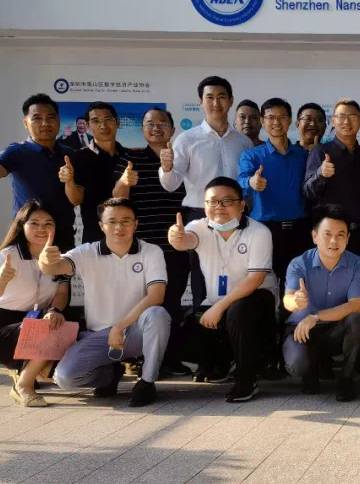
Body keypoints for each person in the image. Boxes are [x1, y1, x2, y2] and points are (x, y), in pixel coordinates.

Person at [39, 198, 170, 407]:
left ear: (136, 223)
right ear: (101, 226)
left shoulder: (151, 251)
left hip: (135, 331)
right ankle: (110, 375)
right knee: (65, 378)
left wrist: (119, 327)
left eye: (126, 221)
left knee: (157, 315)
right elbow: (54, 268)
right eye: (112, 221)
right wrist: (44, 260)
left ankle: (147, 382)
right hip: (99, 335)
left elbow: (156, 296)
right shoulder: (87, 252)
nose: (119, 227)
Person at [168, 177, 277, 403]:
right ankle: (221, 362)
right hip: (217, 303)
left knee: (238, 312)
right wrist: (176, 237)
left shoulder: (259, 232)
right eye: (213, 201)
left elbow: (255, 279)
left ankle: (247, 379)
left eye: (227, 201)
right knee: (185, 341)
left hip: (255, 301)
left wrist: (219, 308)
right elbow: (185, 240)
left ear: (242, 204)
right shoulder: (198, 227)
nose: (219, 207)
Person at [159, 76, 253, 306]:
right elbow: (171, 184)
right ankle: (203, 319)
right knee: (202, 273)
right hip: (201, 215)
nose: (216, 103)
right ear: (201, 102)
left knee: (238, 269)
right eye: (209, 97)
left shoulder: (244, 143)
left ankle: (232, 318)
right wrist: (167, 168)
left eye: (221, 97)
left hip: (236, 216)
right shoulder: (186, 140)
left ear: (231, 101)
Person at [112, 108, 192, 377]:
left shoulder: (183, 158)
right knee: (140, 301)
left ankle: (168, 358)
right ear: (142, 129)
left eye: (162, 123)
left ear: (172, 129)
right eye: (150, 124)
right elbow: (117, 197)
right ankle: (136, 357)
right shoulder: (130, 158)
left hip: (176, 245)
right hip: (142, 247)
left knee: (172, 301)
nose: (156, 128)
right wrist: (125, 181)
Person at [0, 201, 70, 407]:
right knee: (45, 330)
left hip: (37, 319)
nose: (41, 228)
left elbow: (62, 292)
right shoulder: (8, 255)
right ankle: (23, 386)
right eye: (34, 223)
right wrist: (1, 277)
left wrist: (55, 310)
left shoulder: (59, 257)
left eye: (48, 223)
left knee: (62, 331)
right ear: (22, 226)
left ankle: (25, 368)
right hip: (0, 327)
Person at [283, 205, 360, 401]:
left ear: (348, 238)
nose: (333, 241)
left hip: (334, 330)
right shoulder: (299, 263)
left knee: (358, 320)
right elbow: (288, 299)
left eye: (340, 235)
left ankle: (346, 379)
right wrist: (296, 301)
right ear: (314, 236)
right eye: (327, 234)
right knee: (298, 365)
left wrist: (315, 316)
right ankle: (310, 371)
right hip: (302, 330)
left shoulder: (356, 263)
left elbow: (355, 305)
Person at [0, 93, 77, 251]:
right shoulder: (17, 151)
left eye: (51, 117)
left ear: (58, 121)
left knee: (63, 268)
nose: (45, 123)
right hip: (27, 236)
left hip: (63, 235)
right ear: (25, 123)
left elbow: (77, 196)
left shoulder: (69, 154)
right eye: (37, 118)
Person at [238, 97, 309, 295]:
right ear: (262, 121)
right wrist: (251, 182)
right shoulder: (252, 155)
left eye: (281, 117)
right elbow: (241, 182)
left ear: (290, 120)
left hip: (299, 230)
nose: (276, 122)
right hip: (265, 230)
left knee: (296, 289)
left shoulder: (303, 155)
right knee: (263, 288)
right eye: (270, 117)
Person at [304, 98, 360, 295]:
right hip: (331, 237)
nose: (346, 121)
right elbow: (307, 191)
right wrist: (321, 174)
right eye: (341, 116)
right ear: (333, 121)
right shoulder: (321, 152)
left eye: (352, 116)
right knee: (329, 291)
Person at [63, 101, 131, 244]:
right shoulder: (79, 157)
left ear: (117, 122)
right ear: (88, 126)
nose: (103, 125)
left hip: (129, 235)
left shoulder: (129, 156)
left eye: (107, 119)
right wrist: (69, 181)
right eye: (96, 121)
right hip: (95, 238)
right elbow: (76, 200)